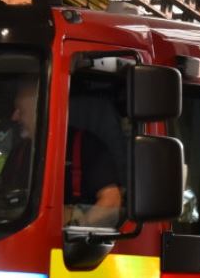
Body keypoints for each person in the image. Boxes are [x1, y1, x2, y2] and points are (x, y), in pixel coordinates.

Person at [10, 79, 124, 228]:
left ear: (41, 108)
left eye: (20, 110)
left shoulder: (86, 146)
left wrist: (75, 229)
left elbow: (111, 201)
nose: (14, 117)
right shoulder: (19, 153)